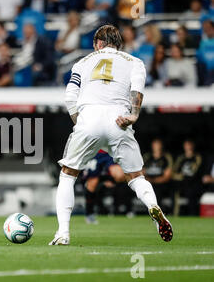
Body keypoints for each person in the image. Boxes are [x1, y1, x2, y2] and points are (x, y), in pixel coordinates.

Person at [50, 25, 173, 246]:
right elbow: (137, 89)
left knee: (67, 175)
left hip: (89, 118)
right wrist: (133, 115)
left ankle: (63, 233)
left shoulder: (82, 62)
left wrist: (81, 123)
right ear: (119, 43)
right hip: (119, 120)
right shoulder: (134, 62)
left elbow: (70, 96)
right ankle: (154, 211)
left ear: (98, 43)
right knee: (136, 177)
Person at [172, 139, 203, 216]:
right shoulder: (181, 158)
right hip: (182, 182)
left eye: (189, 145)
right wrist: (180, 176)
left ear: (193, 146)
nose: (188, 147)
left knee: (191, 192)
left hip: (193, 182)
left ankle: (192, 214)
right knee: (174, 191)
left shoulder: (197, 157)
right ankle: (175, 214)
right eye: (186, 145)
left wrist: (183, 176)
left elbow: (194, 172)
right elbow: (174, 172)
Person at [143, 138, 174, 213]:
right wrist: (149, 181)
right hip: (148, 182)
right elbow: (141, 172)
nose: (156, 147)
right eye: (155, 145)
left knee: (157, 190)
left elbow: (167, 175)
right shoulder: (147, 157)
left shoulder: (166, 157)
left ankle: (157, 212)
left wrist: (155, 181)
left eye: (158, 145)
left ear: (161, 146)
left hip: (161, 183)